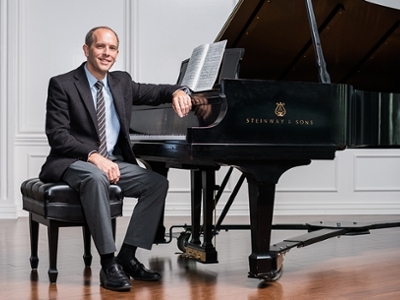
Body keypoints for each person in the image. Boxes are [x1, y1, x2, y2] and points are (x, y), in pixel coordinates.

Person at [39, 26, 192, 291]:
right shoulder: (63, 84)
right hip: (74, 161)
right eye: (100, 46)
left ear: (117, 54)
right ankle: (108, 263)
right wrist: (93, 156)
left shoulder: (121, 83)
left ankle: (127, 256)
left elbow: (156, 91)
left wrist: (180, 91)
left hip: (114, 161)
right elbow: (57, 135)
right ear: (87, 50)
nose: (106, 53)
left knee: (156, 184)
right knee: (96, 176)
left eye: (111, 48)